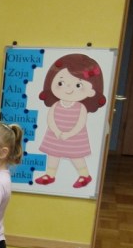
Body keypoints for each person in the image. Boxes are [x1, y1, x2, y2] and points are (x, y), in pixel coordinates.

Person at [32, 53, 106, 188]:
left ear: (91, 91)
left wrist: (69, 134)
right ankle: (50, 175)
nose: (68, 88)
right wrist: (56, 131)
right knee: (53, 154)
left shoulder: (81, 107)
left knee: (76, 156)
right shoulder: (56, 105)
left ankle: (85, 175)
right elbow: (50, 119)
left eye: (78, 85)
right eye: (61, 83)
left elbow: (80, 124)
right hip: (55, 136)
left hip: (74, 138)